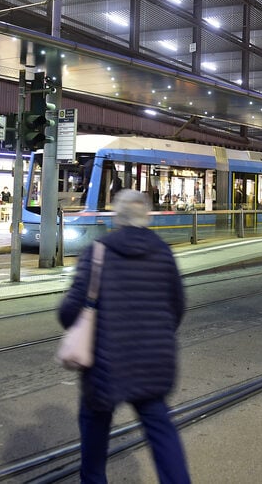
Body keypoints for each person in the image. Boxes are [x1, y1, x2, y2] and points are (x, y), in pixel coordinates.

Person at [58, 190, 190, 484]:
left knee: (94, 428)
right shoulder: (163, 252)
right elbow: (177, 306)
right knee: (161, 431)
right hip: (153, 361)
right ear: (147, 216)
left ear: (116, 217)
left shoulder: (98, 251)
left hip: (106, 364)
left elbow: (70, 312)